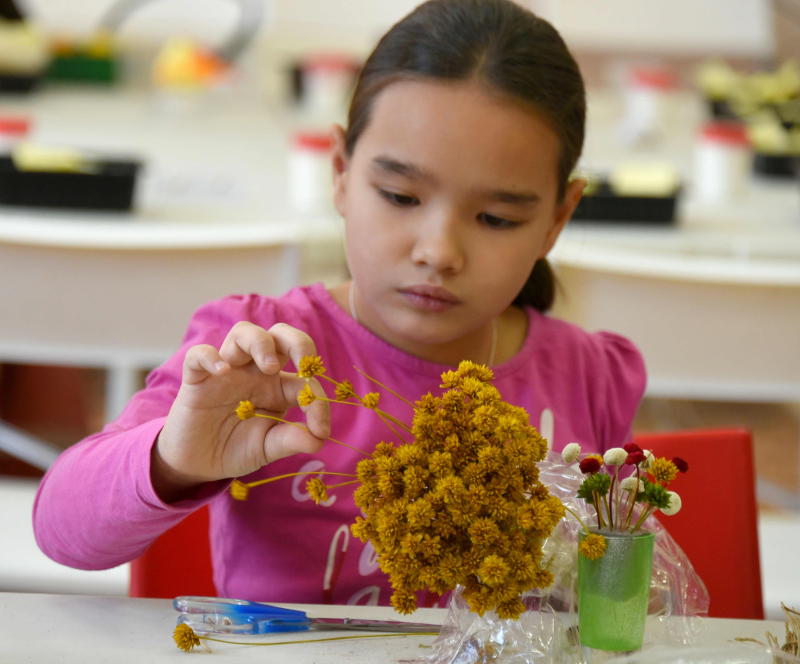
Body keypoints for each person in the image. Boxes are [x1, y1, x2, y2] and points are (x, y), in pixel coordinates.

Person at [33, 0, 645, 608]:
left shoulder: (588, 375)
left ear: (556, 219)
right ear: (341, 174)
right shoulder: (258, 352)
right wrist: (174, 457)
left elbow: (609, 599)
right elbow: (62, 532)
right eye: (401, 196)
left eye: (495, 217)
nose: (438, 251)